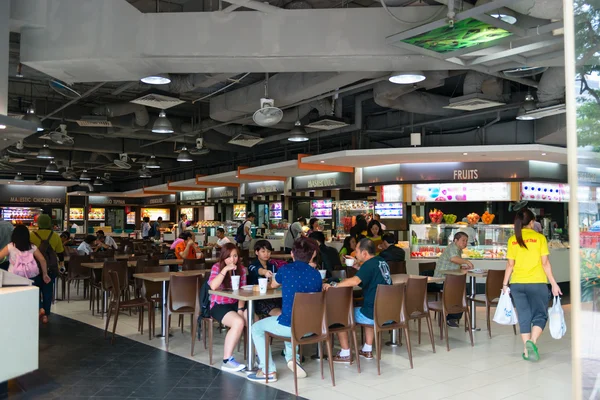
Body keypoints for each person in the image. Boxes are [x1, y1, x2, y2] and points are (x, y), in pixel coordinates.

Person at [247, 237, 322, 383]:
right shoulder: (316, 274)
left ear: (292, 254)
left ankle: (268, 371)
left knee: (256, 328)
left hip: (291, 327)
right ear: (312, 255)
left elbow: (273, 285)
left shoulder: (285, 270)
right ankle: (293, 359)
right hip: (311, 327)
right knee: (290, 317)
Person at [502, 208, 562, 361]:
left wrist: (504, 285)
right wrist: (554, 283)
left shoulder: (512, 239)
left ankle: (527, 351)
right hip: (537, 282)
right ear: (531, 222)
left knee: (524, 316)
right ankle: (531, 342)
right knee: (540, 315)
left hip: (517, 283)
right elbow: (545, 263)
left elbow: (510, 265)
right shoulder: (539, 238)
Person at [324, 239, 392, 363]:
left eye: (357, 251)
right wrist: (357, 266)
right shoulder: (381, 261)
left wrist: (334, 285)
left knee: (341, 314)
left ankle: (345, 353)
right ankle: (367, 349)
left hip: (372, 314)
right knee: (366, 307)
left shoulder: (369, 264)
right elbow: (369, 275)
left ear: (364, 253)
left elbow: (355, 281)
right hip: (386, 312)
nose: (355, 253)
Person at [208, 243, 248, 372]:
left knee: (252, 318)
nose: (232, 260)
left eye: (235, 256)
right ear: (223, 257)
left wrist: (241, 309)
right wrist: (224, 270)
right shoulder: (216, 268)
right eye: (229, 256)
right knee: (238, 322)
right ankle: (227, 360)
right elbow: (213, 286)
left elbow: (242, 292)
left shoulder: (241, 269)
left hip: (235, 304)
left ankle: (257, 356)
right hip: (219, 304)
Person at [0, 225, 50, 319]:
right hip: (32, 275)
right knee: (34, 293)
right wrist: (45, 274)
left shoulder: (10, 246)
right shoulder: (32, 247)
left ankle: (19, 314)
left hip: (15, 277)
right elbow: (42, 260)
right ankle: (40, 308)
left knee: (16, 295)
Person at [432, 232, 474, 328]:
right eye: (463, 240)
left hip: (450, 279)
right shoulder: (452, 248)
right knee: (460, 292)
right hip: (442, 279)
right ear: (455, 240)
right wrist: (467, 262)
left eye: (466, 241)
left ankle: (453, 316)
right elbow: (453, 259)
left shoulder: (457, 249)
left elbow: (454, 263)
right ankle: (450, 317)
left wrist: (462, 267)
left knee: (462, 291)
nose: (465, 243)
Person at [30, 214, 65, 323]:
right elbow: (60, 252)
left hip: (34, 268)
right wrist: (62, 264)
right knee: (48, 291)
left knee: (35, 290)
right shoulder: (54, 236)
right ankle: (46, 315)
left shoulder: (31, 235)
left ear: (38, 223)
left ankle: (40, 309)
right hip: (50, 269)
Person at [247, 240, 282, 317]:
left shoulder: (272, 266)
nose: (266, 254)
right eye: (263, 251)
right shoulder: (252, 265)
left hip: (274, 297)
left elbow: (276, 282)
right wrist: (265, 272)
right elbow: (258, 270)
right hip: (258, 300)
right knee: (281, 313)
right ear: (256, 252)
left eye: (268, 251)